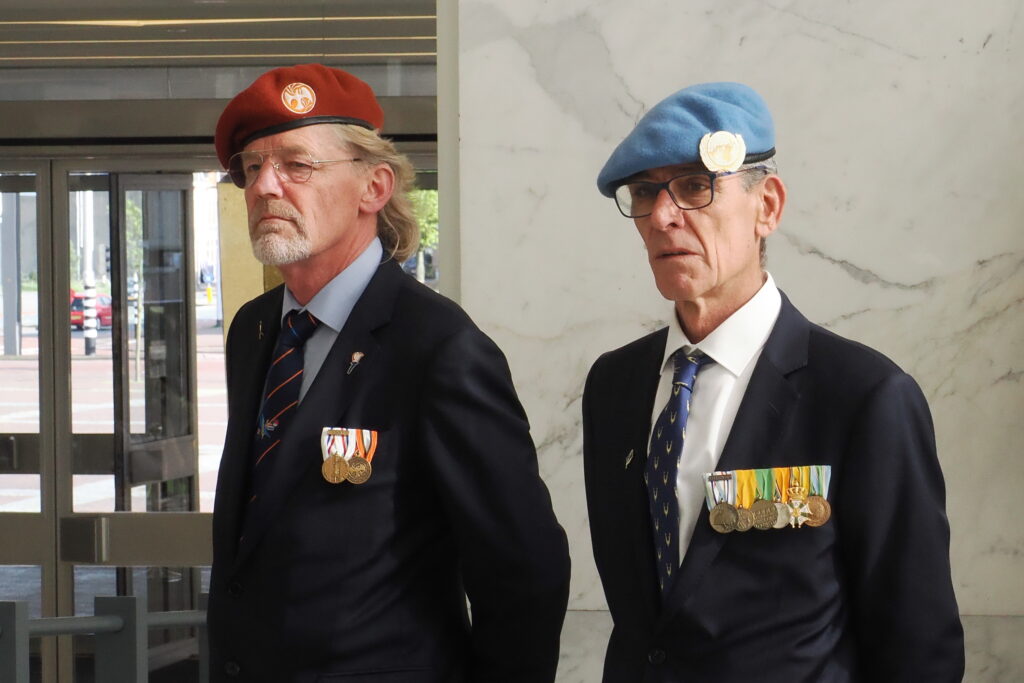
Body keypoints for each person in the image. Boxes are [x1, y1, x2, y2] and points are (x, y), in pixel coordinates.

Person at [582, 82, 964, 682]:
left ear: (767, 207)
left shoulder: (863, 396)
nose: (661, 216)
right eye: (645, 192)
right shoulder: (615, 385)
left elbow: (919, 644)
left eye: (694, 186)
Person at [208, 63, 570, 682]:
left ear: (373, 187)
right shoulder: (254, 329)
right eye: (252, 166)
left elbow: (524, 571)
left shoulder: (439, 348)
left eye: (297, 165)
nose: (265, 186)